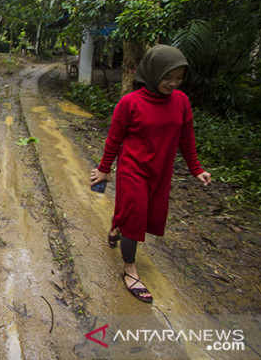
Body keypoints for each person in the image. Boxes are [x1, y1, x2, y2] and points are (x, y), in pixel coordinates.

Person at [89, 44, 212, 303]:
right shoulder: (129, 103)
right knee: (135, 221)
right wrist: (104, 169)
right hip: (133, 170)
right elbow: (114, 140)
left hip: (161, 172)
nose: (173, 83)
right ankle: (130, 269)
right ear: (152, 72)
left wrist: (196, 169)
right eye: (168, 77)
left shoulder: (181, 101)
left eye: (179, 78)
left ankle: (116, 227)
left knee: (142, 213)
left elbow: (186, 139)